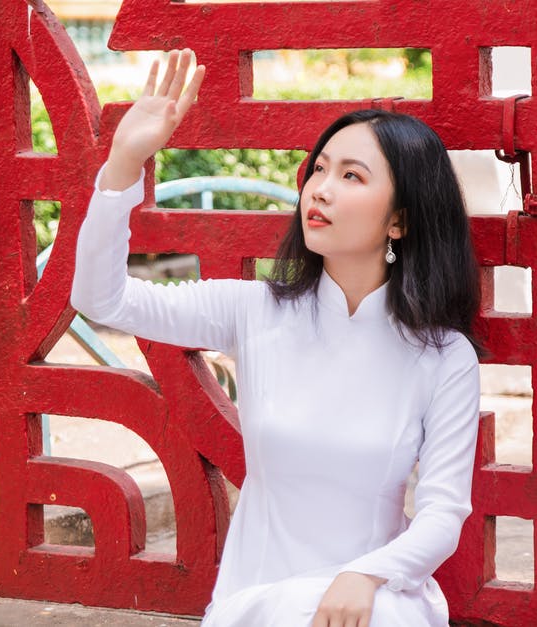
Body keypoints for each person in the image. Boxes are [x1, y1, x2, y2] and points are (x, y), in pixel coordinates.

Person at [71, 49, 483, 627]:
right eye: (319, 168)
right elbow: (101, 299)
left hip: (375, 601)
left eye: (351, 176)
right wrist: (123, 162)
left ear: (400, 221)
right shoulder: (254, 311)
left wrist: (364, 575)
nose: (320, 188)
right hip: (258, 603)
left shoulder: (443, 358)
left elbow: (443, 515)